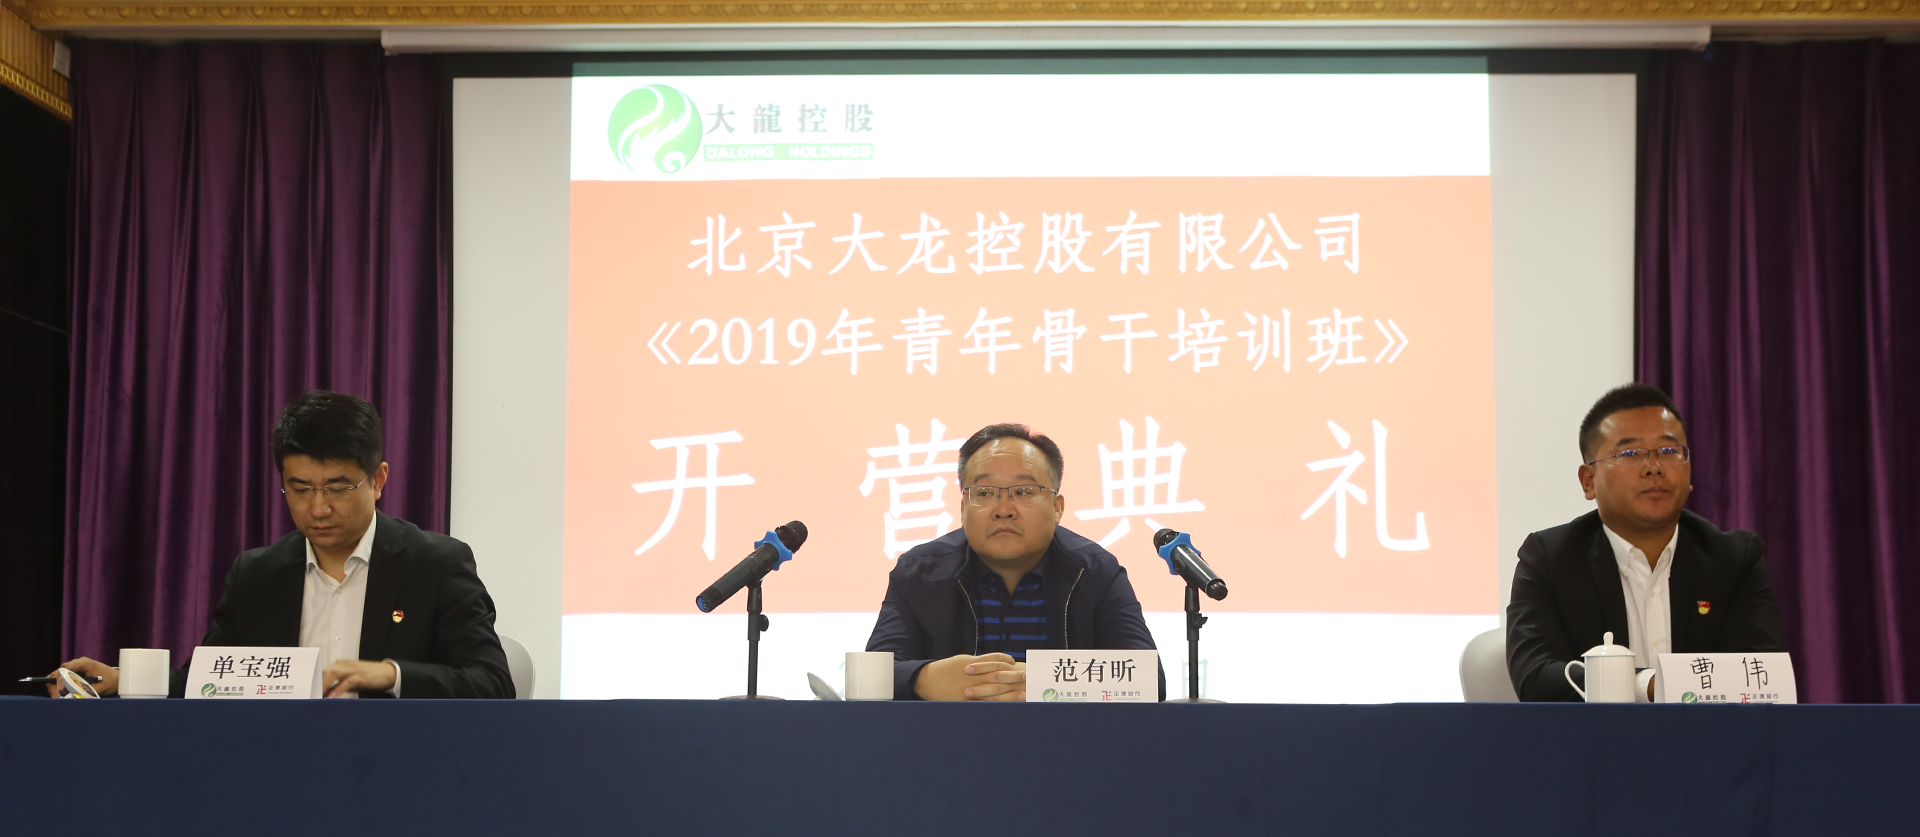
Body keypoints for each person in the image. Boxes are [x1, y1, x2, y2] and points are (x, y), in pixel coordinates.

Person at [51, 390, 513, 699]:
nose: (318, 508)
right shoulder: (258, 574)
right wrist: (123, 680)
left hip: (395, 768)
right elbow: (211, 679)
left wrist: (390, 674)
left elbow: (492, 683)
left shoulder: (436, 564)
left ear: (378, 479)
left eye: (337, 488)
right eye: (300, 489)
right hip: (280, 764)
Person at [1506, 384, 1784, 702]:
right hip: (1594, 735)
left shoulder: (1734, 560)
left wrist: (1642, 684)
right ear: (1588, 481)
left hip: (1708, 735)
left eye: (1669, 451)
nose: (1654, 467)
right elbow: (1536, 678)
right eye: (1630, 454)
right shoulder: (1550, 560)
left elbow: (1761, 676)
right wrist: (1647, 685)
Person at [865, 423, 1163, 701]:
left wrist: (1043, 681)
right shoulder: (919, 572)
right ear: (963, 508)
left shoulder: (1095, 571)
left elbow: (1150, 679)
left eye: (1023, 492)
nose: (1003, 509)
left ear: (1057, 508)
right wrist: (924, 678)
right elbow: (867, 678)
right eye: (984, 492)